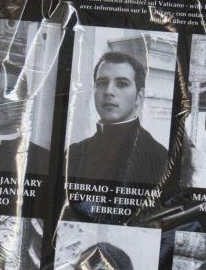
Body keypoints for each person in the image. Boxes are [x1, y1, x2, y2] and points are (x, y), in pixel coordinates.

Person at [67, 50, 171, 185]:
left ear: (139, 96)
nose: (108, 91)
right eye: (101, 83)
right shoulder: (74, 154)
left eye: (122, 84)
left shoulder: (161, 159)